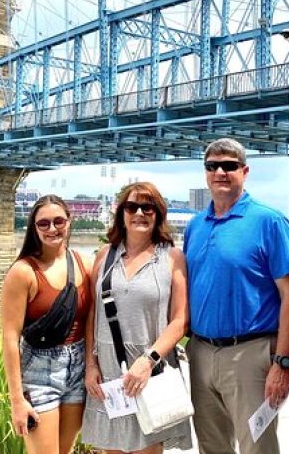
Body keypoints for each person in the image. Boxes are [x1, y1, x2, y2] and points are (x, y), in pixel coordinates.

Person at [184, 138, 289, 454]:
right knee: (211, 446)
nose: (220, 172)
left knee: (257, 447)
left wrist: (282, 362)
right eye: (212, 166)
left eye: (229, 166)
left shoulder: (269, 222)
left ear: (245, 171)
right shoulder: (195, 226)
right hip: (200, 352)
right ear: (205, 173)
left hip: (251, 354)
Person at [81, 181, 191, 454]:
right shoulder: (105, 255)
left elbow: (180, 320)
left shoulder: (171, 257)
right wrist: (90, 364)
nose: (139, 213)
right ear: (122, 213)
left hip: (149, 369)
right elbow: (93, 313)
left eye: (148, 207)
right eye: (132, 206)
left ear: (158, 213)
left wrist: (148, 361)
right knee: (112, 449)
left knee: (148, 447)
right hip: (109, 371)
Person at [1, 195, 93, 454]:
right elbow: (10, 337)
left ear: (69, 221)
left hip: (77, 368)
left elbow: (91, 322)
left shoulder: (83, 263)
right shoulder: (23, 272)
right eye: (43, 224)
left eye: (58, 221)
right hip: (39, 371)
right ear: (34, 227)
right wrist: (17, 400)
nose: (52, 229)